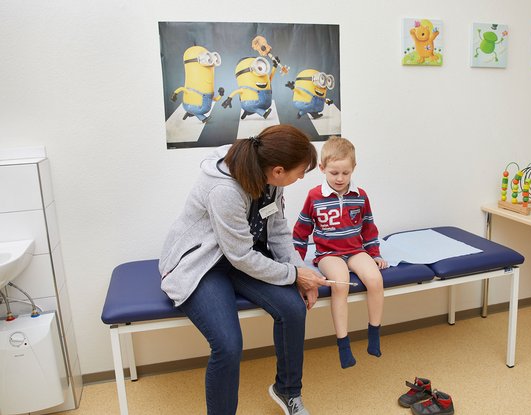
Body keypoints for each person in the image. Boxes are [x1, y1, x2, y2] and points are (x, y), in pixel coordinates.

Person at [159, 125, 330, 415]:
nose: (301, 177)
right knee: (227, 345)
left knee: (292, 309)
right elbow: (239, 256)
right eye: (300, 171)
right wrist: (293, 275)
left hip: (242, 255)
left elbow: (276, 232)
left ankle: (287, 391)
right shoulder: (225, 189)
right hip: (203, 263)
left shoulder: (271, 179)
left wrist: (301, 272)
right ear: (278, 170)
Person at [292, 136, 387, 369]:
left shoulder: (360, 195)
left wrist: (374, 253)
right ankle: (343, 343)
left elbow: (368, 227)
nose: (340, 178)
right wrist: (297, 265)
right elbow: (301, 232)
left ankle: (374, 334)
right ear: (323, 168)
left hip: (356, 250)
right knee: (340, 283)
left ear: (353, 169)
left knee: (375, 279)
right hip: (328, 254)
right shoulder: (315, 197)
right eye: (334, 173)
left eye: (345, 173)